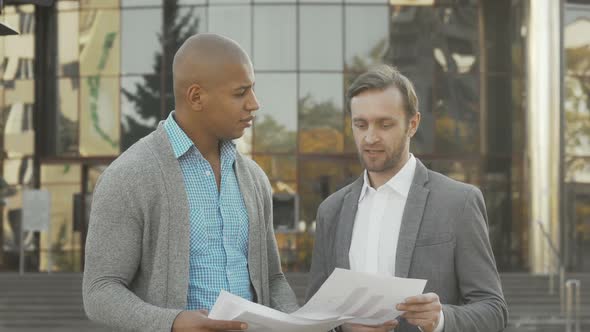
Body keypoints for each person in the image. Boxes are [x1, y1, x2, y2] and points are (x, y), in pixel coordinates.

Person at [83, 33, 299, 332]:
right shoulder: (129, 176)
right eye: (240, 93)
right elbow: (100, 291)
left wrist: (298, 321)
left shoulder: (254, 179)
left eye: (253, 90)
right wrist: (172, 322)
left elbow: (272, 279)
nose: (254, 104)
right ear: (196, 97)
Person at [306, 64, 508, 332]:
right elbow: (315, 313)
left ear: (413, 124)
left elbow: (493, 310)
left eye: (385, 124)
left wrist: (440, 319)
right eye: (360, 124)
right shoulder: (331, 210)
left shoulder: (459, 203)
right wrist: (342, 328)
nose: (370, 137)